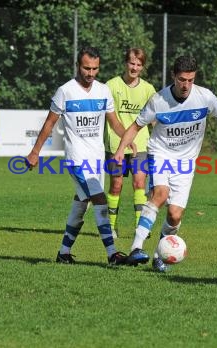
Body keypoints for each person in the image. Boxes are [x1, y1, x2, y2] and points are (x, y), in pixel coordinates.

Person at [114, 55, 217, 272]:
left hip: (186, 162)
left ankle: (160, 254)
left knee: (175, 215)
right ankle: (136, 248)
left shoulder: (205, 97)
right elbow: (135, 126)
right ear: (173, 77)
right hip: (161, 154)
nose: (186, 85)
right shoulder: (158, 101)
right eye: (181, 80)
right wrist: (121, 150)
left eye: (190, 80)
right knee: (159, 194)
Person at [26, 46, 133, 266]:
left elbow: (113, 122)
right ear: (78, 65)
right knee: (100, 200)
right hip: (76, 159)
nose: (91, 73)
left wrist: (128, 141)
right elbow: (49, 123)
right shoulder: (65, 91)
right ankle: (112, 254)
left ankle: (63, 253)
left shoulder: (103, 91)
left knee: (81, 204)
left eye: (95, 69)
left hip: (96, 160)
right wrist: (35, 151)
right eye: (86, 68)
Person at [105, 48, 156, 239]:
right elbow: (109, 117)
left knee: (139, 183)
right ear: (126, 63)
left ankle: (140, 228)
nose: (134, 67)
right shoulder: (111, 85)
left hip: (141, 144)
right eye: (132, 63)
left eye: (139, 64)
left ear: (143, 67)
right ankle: (111, 227)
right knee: (116, 185)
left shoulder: (148, 89)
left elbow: (154, 117)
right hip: (115, 144)